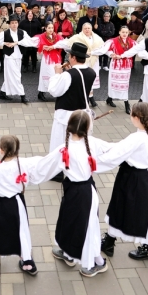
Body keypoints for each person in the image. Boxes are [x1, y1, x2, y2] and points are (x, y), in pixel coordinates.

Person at [34, 111, 113, 277]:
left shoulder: (64, 149)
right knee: (70, 222)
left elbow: (43, 167)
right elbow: (114, 151)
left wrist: (22, 173)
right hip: (81, 191)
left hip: (81, 193)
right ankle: (69, 254)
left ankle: (96, 262)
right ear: (87, 128)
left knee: (87, 227)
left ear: (69, 127)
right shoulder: (92, 143)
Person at [98, 102, 148, 260]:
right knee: (122, 208)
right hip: (141, 176)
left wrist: (91, 161)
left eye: (132, 115)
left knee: (141, 213)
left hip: (132, 178)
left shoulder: (137, 138)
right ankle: (109, 240)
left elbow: (114, 156)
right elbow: (121, 148)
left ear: (136, 118)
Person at [0, 135, 42, 275]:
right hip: (18, 202)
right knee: (20, 229)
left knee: (4, 228)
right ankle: (25, 261)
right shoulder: (23, 164)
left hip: (3, 204)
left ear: (2, 150)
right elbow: (41, 163)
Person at [47, 42, 96, 155]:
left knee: (60, 145)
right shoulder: (91, 72)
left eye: (69, 55)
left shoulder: (68, 75)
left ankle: (60, 168)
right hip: (82, 114)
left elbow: (54, 91)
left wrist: (57, 74)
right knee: (78, 145)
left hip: (66, 116)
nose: (68, 57)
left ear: (73, 58)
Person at [0, 14, 32, 104]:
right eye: (12, 23)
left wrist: (16, 42)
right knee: (16, 76)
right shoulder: (4, 33)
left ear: (18, 23)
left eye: (16, 23)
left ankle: (2, 93)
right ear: (9, 24)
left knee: (11, 76)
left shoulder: (22, 32)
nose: (14, 25)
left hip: (19, 57)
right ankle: (22, 95)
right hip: (9, 57)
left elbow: (29, 41)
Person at [54, 23, 105, 107]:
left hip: (94, 61)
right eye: (85, 28)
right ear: (82, 29)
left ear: (91, 29)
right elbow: (67, 45)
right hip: (83, 61)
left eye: (89, 28)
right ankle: (86, 99)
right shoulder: (77, 37)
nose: (87, 30)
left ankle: (91, 97)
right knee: (83, 80)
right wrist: (54, 46)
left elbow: (102, 49)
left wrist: (92, 52)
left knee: (90, 79)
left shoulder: (97, 38)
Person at [91, 26, 136, 112]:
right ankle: (110, 98)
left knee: (125, 84)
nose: (125, 34)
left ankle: (126, 103)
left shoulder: (132, 42)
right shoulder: (112, 41)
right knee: (113, 82)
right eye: (123, 32)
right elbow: (104, 50)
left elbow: (137, 50)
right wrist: (111, 54)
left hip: (126, 65)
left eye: (126, 32)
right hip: (116, 64)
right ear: (119, 32)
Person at [21, 21, 64, 101]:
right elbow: (31, 41)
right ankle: (41, 93)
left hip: (56, 58)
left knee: (57, 75)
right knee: (47, 74)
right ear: (45, 28)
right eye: (49, 28)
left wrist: (54, 47)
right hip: (47, 59)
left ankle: (57, 92)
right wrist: (18, 41)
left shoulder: (57, 36)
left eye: (52, 28)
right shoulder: (41, 37)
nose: (51, 29)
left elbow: (63, 43)